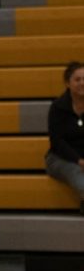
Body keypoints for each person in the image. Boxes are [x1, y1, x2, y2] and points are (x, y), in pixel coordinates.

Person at [46, 61, 84, 210]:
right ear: (67, 83)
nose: (82, 83)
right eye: (77, 79)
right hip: (60, 158)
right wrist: (79, 160)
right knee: (75, 171)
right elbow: (57, 142)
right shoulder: (57, 107)